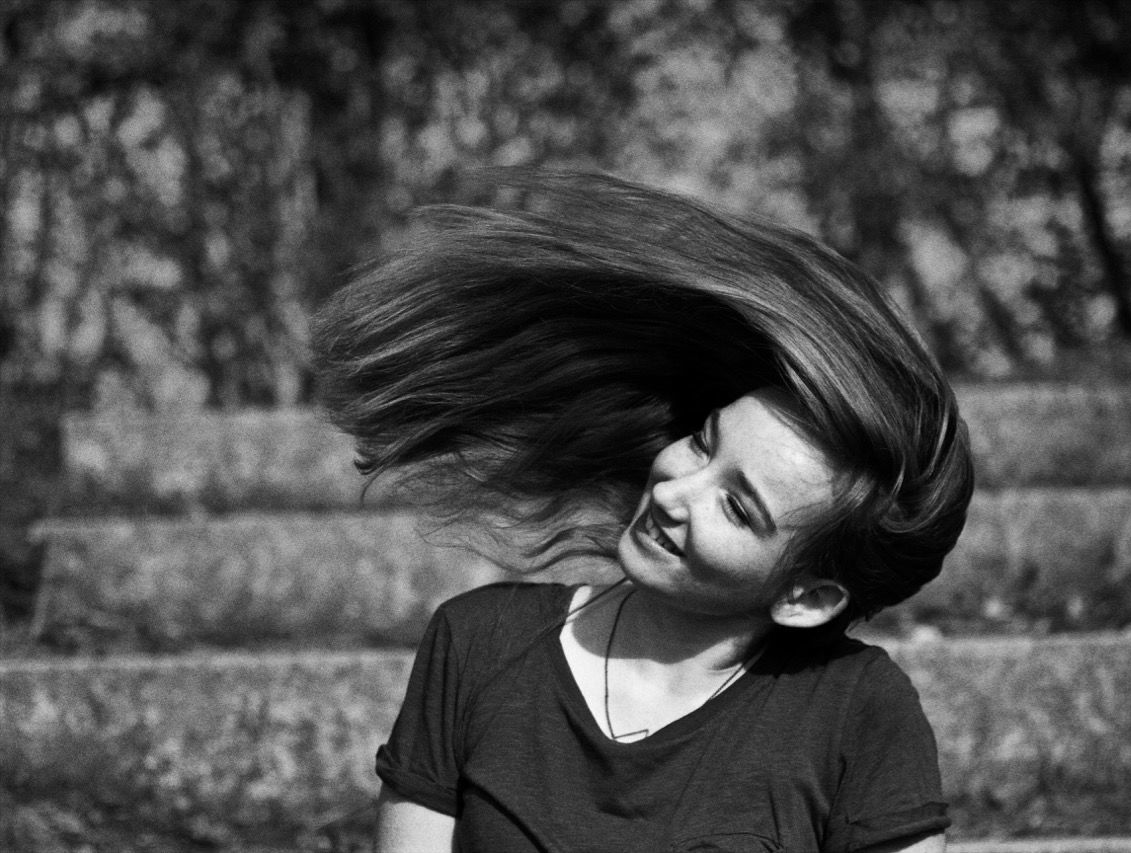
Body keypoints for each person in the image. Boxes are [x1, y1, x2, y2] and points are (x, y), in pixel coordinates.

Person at [312, 171, 974, 852]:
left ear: (805, 596)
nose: (672, 490)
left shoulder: (858, 710)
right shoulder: (478, 643)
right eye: (702, 442)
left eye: (737, 507)